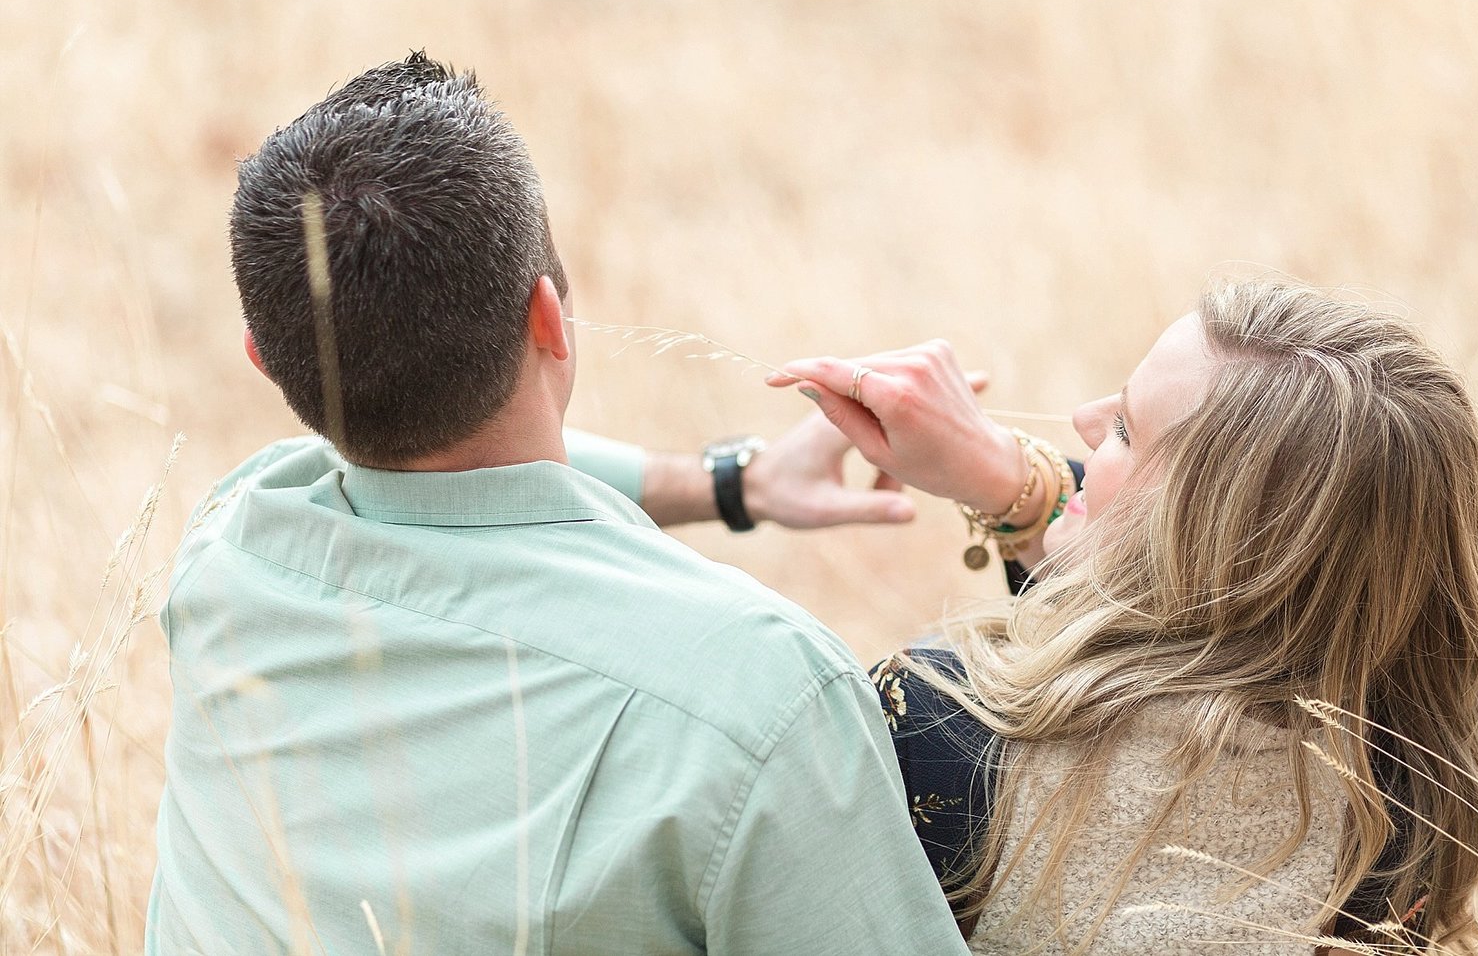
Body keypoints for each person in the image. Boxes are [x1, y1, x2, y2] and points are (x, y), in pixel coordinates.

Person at [146, 53, 970, 955]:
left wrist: (731, 482)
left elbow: (446, 485)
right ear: (550, 317)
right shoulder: (760, 696)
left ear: (264, 360)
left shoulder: (229, 544)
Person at [772, 280, 1478, 955]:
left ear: (1194, 533)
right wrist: (1015, 486)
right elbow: (1210, 611)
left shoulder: (939, 725)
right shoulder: (1415, 789)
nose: (1081, 416)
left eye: (1126, 430)